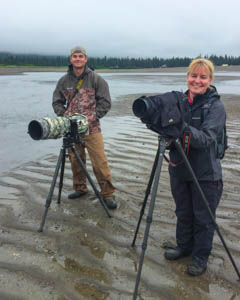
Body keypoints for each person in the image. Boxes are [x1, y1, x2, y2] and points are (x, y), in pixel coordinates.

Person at [164, 58, 226, 276]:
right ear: (187, 77)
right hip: (179, 168)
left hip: (206, 174)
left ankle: (200, 257)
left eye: (203, 77)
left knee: (203, 218)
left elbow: (205, 139)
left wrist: (179, 126)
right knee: (183, 212)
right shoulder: (179, 102)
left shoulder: (216, 107)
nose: (197, 81)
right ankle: (184, 247)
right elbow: (170, 134)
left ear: (209, 80)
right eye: (193, 75)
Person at [52, 45, 117, 209]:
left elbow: (106, 102)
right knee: (75, 161)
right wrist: (64, 117)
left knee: (100, 162)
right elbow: (57, 101)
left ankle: (107, 194)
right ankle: (80, 188)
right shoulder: (63, 81)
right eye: (75, 56)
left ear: (86, 59)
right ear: (70, 59)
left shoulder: (96, 79)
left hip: (92, 129)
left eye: (81, 56)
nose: (78, 59)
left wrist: (92, 118)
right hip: (71, 129)